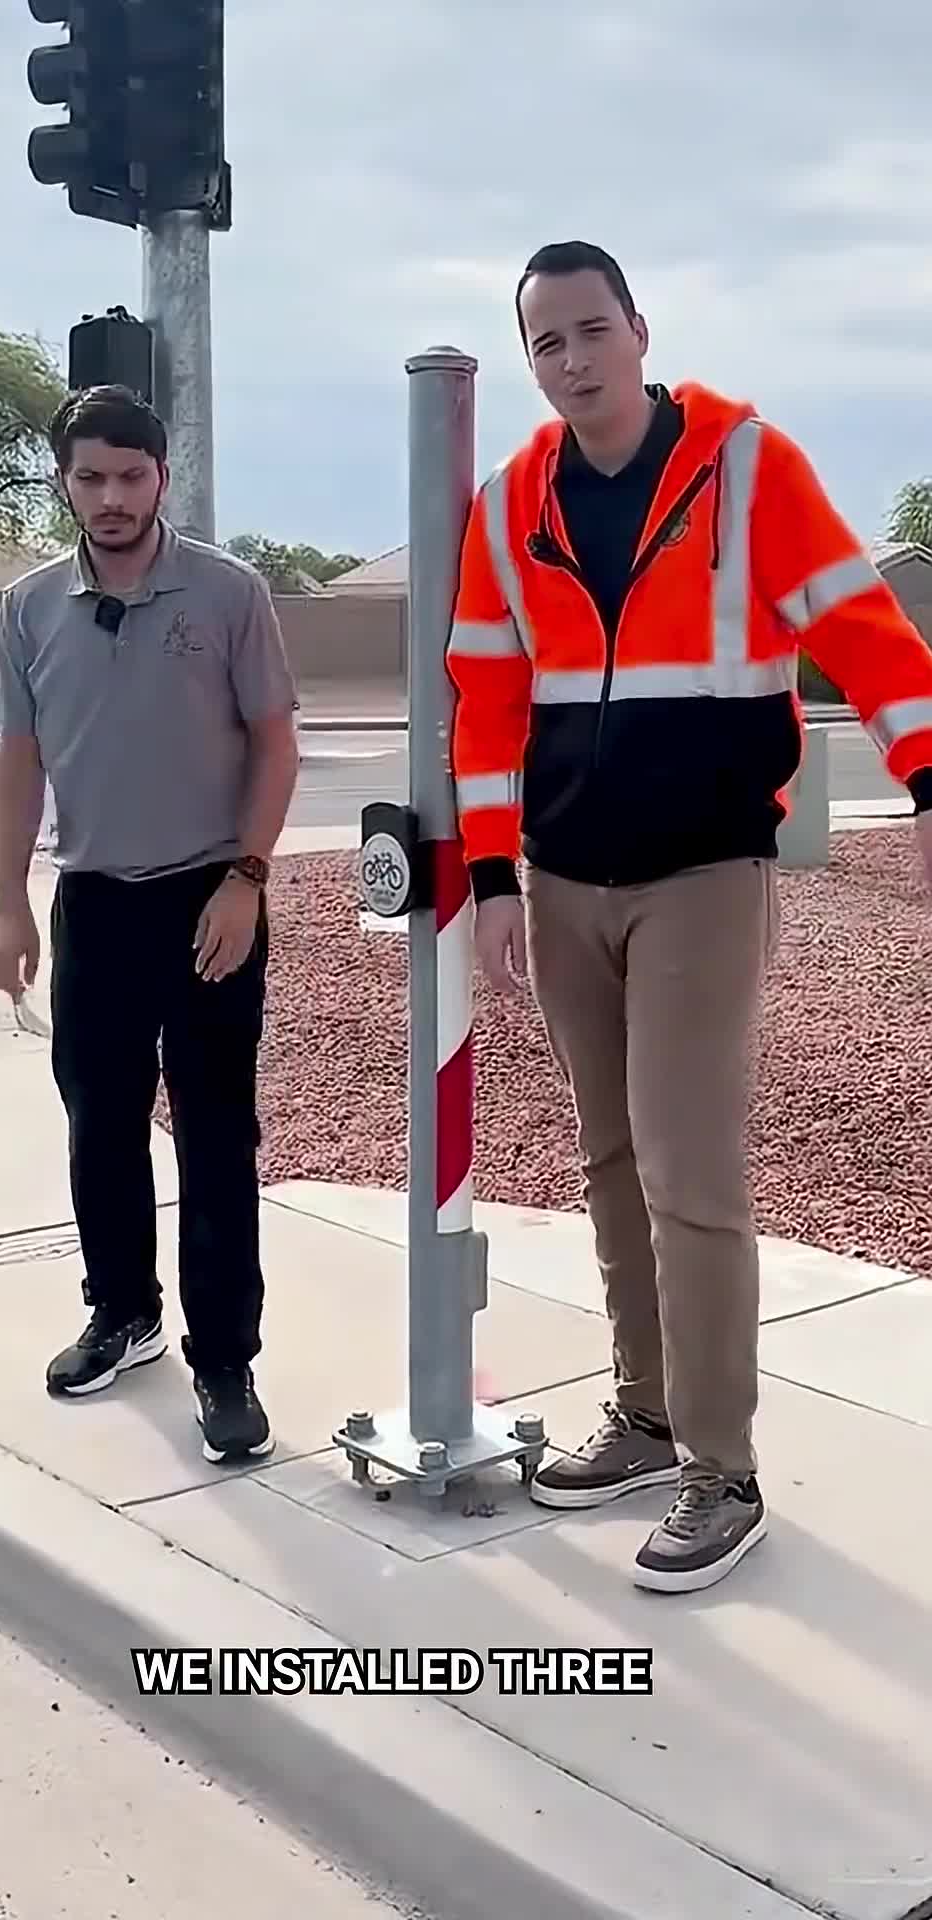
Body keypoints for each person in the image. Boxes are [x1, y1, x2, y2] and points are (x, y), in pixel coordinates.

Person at [446, 241, 932, 1592]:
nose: (573, 359)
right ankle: (649, 1416)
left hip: (705, 875)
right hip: (562, 879)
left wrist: (926, 772)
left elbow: (862, 625)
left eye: (592, 330)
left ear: (639, 331)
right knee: (608, 1160)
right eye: (547, 343)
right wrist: (491, 878)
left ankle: (725, 1467)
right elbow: (486, 706)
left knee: (689, 1172)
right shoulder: (509, 508)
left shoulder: (746, 467)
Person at [0, 384, 299, 1464]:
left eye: (130, 475)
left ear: (162, 475)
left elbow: (276, 743)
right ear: (63, 481)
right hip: (95, 905)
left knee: (216, 1136)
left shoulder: (227, 592)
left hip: (209, 898)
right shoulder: (28, 605)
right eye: (88, 477)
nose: (110, 497)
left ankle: (226, 1359)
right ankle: (122, 1311)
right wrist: (8, 902)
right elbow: (18, 760)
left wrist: (247, 879)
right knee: (100, 1124)